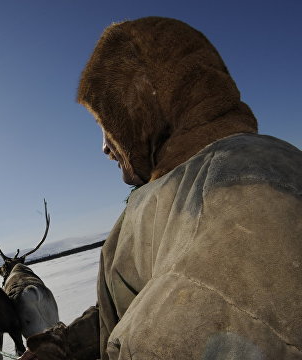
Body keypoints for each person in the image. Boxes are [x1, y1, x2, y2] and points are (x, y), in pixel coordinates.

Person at [20, 16, 302, 359]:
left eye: (108, 123)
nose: (105, 148)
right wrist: (65, 344)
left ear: (143, 110)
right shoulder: (184, 184)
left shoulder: (242, 184)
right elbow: (143, 300)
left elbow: (199, 323)